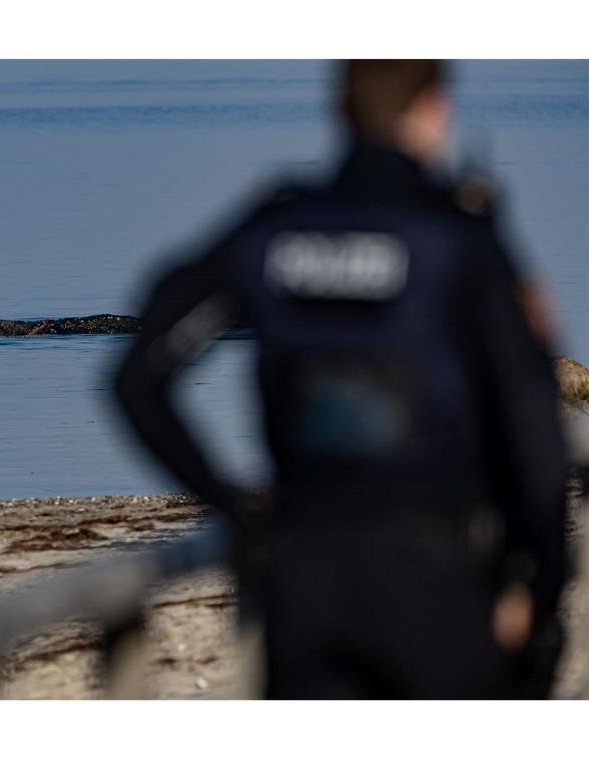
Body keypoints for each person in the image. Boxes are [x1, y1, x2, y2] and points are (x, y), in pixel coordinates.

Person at [114, 60, 571, 698]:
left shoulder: (275, 229)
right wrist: (543, 586)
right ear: (434, 107)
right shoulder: (454, 241)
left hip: (305, 581)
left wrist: (235, 506)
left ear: (338, 110)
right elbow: (531, 427)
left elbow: (137, 379)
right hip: (439, 577)